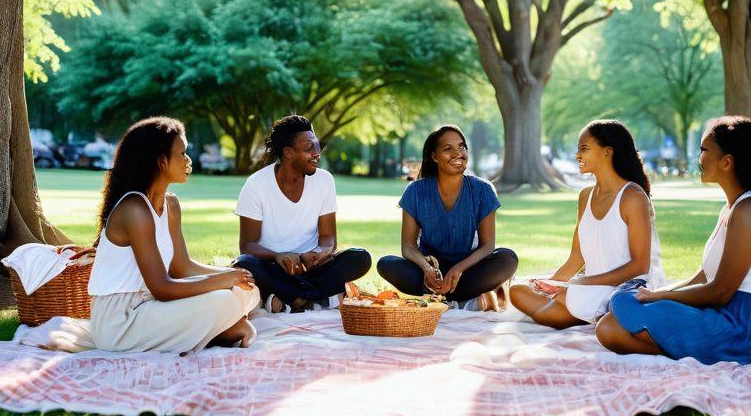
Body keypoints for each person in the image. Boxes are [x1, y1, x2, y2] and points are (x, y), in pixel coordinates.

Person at [596, 116, 751, 365]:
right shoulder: (734, 208)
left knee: (611, 328)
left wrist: (660, 299)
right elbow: (703, 276)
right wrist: (659, 292)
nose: (698, 157)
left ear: (727, 162)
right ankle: (684, 346)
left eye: (703, 150)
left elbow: (720, 292)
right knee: (616, 315)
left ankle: (683, 350)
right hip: (727, 315)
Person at [88, 117, 260, 352]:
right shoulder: (135, 209)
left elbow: (182, 267)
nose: (188, 160)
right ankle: (223, 330)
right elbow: (162, 287)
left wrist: (232, 275)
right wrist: (222, 281)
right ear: (161, 161)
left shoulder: (171, 205)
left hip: (154, 306)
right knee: (224, 300)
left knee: (247, 290)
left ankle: (219, 329)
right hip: (122, 321)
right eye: (182, 153)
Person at [509, 120, 663, 328]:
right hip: (590, 285)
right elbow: (577, 256)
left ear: (607, 151)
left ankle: (575, 307)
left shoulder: (633, 196)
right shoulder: (585, 196)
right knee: (517, 290)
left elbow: (639, 265)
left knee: (554, 309)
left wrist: (580, 283)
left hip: (624, 288)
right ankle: (571, 306)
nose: (577, 156)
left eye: (584, 149)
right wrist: (553, 283)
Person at [234, 114, 371, 312]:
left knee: (360, 257)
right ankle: (318, 298)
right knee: (245, 263)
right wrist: (278, 256)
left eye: (317, 147)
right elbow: (247, 245)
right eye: (309, 149)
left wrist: (317, 254)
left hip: (312, 269)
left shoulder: (324, 180)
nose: (317, 153)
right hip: (274, 267)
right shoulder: (256, 185)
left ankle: (292, 298)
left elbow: (328, 237)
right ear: (288, 152)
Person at [377, 125, 518, 308]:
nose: (458, 153)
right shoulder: (415, 191)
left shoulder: (483, 190)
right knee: (386, 264)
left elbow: (488, 245)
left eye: (462, 147)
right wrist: (426, 269)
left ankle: (443, 300)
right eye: (448, 149)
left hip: (468, 269)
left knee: (508, 259)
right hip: (431, 273)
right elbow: (408, 247)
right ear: (434, 157)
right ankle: (467, 300)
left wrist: (458, 269)